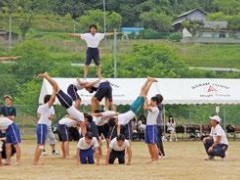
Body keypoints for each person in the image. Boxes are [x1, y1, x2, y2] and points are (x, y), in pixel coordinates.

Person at [33, 90, 56, 165]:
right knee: (41, 145)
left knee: (39, 144)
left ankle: (35, 161)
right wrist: (54, 90)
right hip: (42, 126)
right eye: (52, 101)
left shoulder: (46, 107)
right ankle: (36, 161)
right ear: (48, 101)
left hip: (42, 126)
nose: (53, 102)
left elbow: (52, 116)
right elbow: (52, 98)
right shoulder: (45, 106)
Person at [144, 96, 160, 163]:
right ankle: (152, 158)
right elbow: (146, 106)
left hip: (152, 127)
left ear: (155, 102)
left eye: (151, 101)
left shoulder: (155, 109)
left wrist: (146, 100)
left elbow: (145, 107)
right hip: (148, 126)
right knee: (149, 143)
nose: (150, 102)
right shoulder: (152, 107)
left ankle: (156, 159)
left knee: (153, 143)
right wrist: (146, 100)